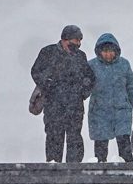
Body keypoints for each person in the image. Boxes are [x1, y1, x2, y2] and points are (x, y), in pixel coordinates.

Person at [31, 24, 96, 163]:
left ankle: (74, 170)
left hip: (75, 106)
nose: (78, 44)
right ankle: (54, 169)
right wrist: (47, 83)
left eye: (80, 40)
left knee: (74, 138)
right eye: (76, 40)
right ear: (65, 39)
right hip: (53, 104)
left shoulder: (80, 56)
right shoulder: (48, 52)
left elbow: (90, 78)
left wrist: (82, 93)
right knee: (54, 137)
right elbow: (36, 71)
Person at [87, 33, 133, 163]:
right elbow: (84, 87)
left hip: (121, 110)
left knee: (124, 143)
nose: (108, 54)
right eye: (105, 51)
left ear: (116, 51)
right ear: (99, 52)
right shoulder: (92, 66)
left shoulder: (124, 65)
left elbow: (131, 86)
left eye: (110, 51)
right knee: (100, 147)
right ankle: (100, 174)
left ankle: (128, 173)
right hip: (99, 111)